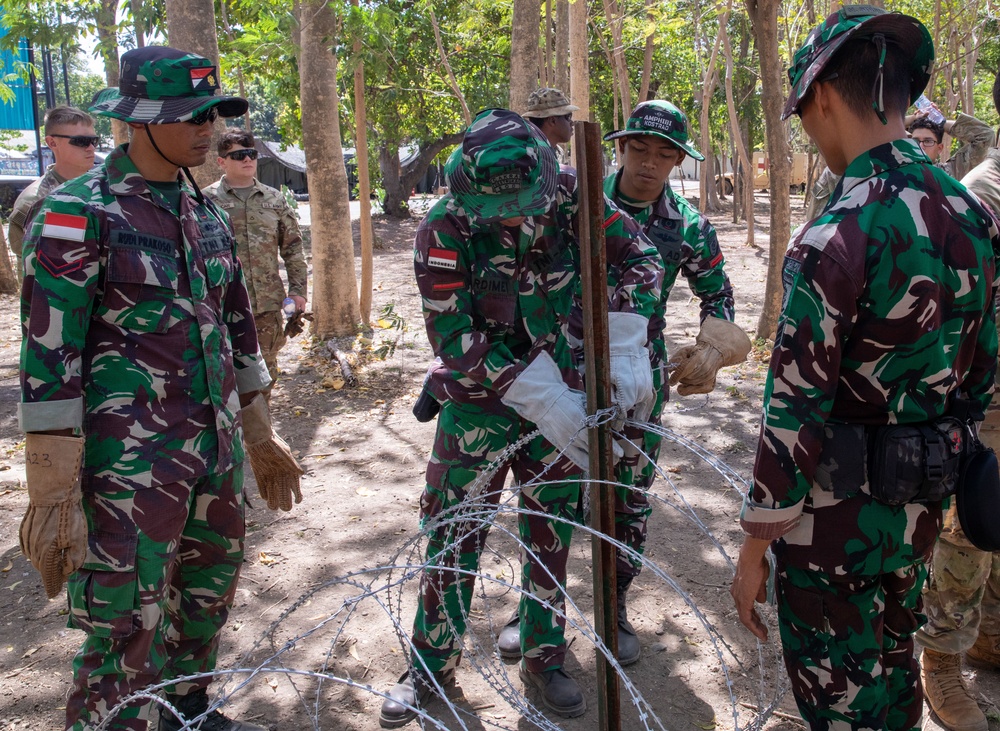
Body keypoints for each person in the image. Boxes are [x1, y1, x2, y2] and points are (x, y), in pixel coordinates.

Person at [17, 46, 303, 731]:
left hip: (213, 453)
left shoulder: (204, 214)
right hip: (128, 471)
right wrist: (54, 486)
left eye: (212, 114)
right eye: (191, 116)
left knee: (206, 600)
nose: (206, 129)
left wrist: (259, 432)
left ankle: (187, 711)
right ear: (141, 120)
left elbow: (237, 332)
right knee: (122, 624)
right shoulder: (78, 214)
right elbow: (48, 356)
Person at [730, 7, 999, 731]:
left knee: (843, 706)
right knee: (892, 683)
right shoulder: (970, 218)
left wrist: (755, 547)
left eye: (804, 115)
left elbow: (793, 412)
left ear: (821, 97)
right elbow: (981, 377)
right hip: (916, 519)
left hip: (831, 534)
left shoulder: (835, 234)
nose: (810, 134)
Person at [378, 108, 662, 728]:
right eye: (495, 208)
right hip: (478, 407)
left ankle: (544, 658)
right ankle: (431, 665)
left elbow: (641, 261)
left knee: (551, 534)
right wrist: (532, 391)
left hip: (566, 396)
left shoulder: (572, 195)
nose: (510, 218)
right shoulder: (445, 225)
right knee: (452, 534)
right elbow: (451, 332)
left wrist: (622, 338)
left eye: (521, 204)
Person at [916, 72, 1000, 731]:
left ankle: (990, 633)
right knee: (968, 529)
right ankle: (941, 663)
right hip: (990, 390)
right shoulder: (984, 192)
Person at [205, 128, 308, 402]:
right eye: (238, 155)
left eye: (251, 154)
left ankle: (262, 439)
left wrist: (298, 292)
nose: (247, 160)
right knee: (221, 377)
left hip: (265, 307)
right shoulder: (205, 201)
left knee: (265, 378)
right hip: (220, 306)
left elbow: (293, 248)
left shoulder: (274, 200)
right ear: (221, 161)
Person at [8, 106, 99, 284]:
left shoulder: (107, 190)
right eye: (81, 141)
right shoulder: (34, 201)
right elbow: (31, 274)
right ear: (52, 143)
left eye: (93, 140)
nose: (90, 148)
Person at [907, 105, 994, 180]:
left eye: (928, 141)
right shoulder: (895, 168)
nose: (921, 146)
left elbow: (985, 135)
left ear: (939, 148)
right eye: (916, 141)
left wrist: (941, 122)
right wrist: (912, 118)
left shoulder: (951, 172)